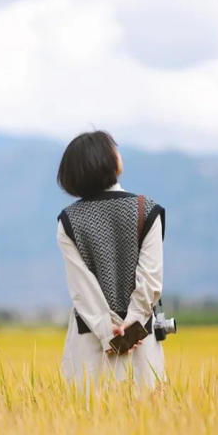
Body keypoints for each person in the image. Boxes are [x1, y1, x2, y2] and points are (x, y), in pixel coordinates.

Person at [56, 130, 165, 389]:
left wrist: (109, 334)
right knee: (146, 421)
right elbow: (150, 280)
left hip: (89, 345)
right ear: (108, 160)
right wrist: (133, 327)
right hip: (142, 343)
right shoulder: (147, 210)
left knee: (84, 421)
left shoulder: (68, 221)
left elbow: (82, 290)